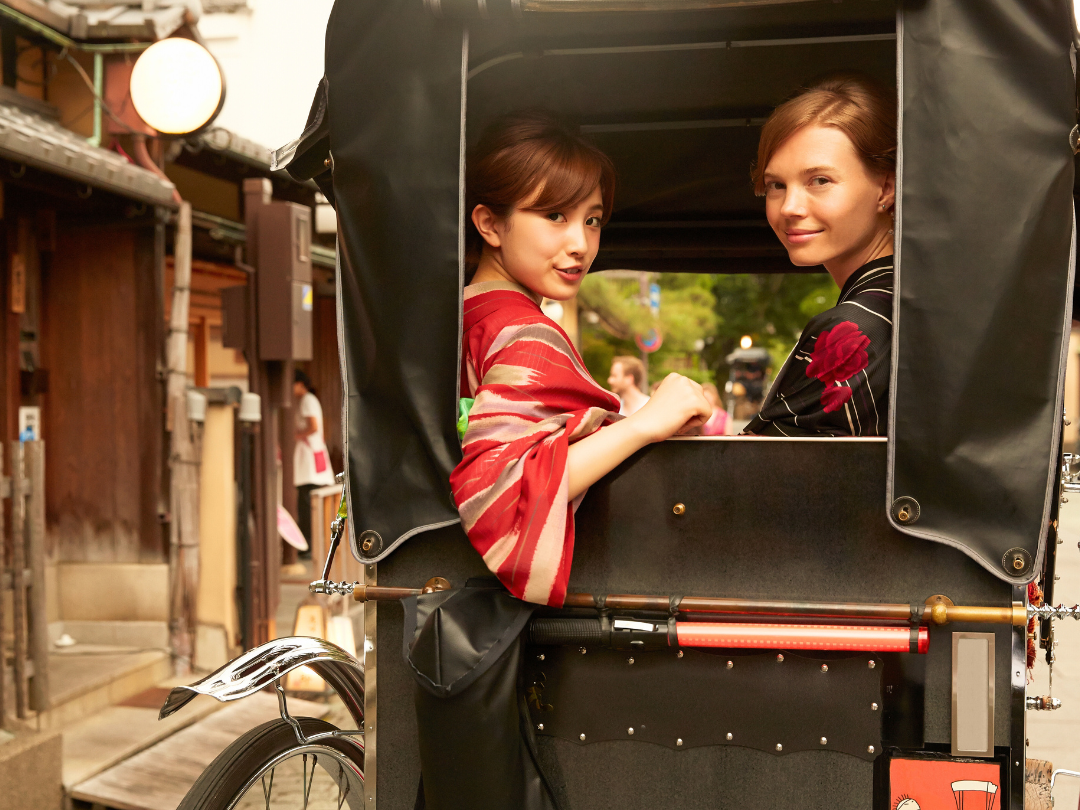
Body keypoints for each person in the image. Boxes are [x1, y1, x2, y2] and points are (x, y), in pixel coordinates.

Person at [450, 110, 711, 607]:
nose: (581, 244)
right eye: (554, 216)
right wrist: (644, 424)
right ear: (489, 223)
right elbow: (504, 497)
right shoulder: (526, 334)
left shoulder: (467, 316)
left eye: (591, 220)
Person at [743, 73, 895, 437]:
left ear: (886, 187)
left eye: (819, 181)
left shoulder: (854, 327)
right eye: (776, 185)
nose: (790, 207)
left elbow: (753, 479)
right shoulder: (906, 301)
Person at [293, 369, 335, 552]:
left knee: (307, 503)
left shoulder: (307, 400)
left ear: (300, 384)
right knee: (311, 502)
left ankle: (308, 545)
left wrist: (295, 436)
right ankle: (312, 543)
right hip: (313, 454)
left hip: (309, 458)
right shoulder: (309, 400)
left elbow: (314, 426)